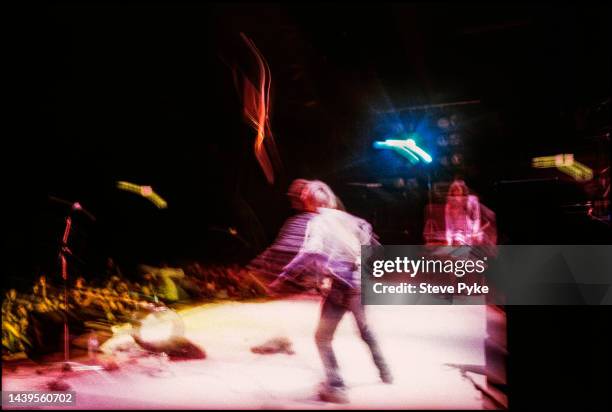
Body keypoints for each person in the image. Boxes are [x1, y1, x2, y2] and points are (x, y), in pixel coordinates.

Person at [256, 179, 393, 403]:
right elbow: (369, 236)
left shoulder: (317, 222)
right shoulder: (350, 219)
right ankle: (385, 372)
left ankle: (336, 387)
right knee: (365, 330)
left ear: (307, 201)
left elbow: (311, 252)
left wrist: (284, 276)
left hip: (340, 288)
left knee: (322, 338)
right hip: (359, 285)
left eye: (301, 198)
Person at [445, 179, 482, 246]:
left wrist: (475, 231)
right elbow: (448, 224)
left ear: (463, 190)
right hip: (456, 234)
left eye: (458, 189)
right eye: (454, 190)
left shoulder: (472, 200)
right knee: (458, 253)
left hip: (470, 234)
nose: (457, 192)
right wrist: (449, 240)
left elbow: (476, 218)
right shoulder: (449, 205)